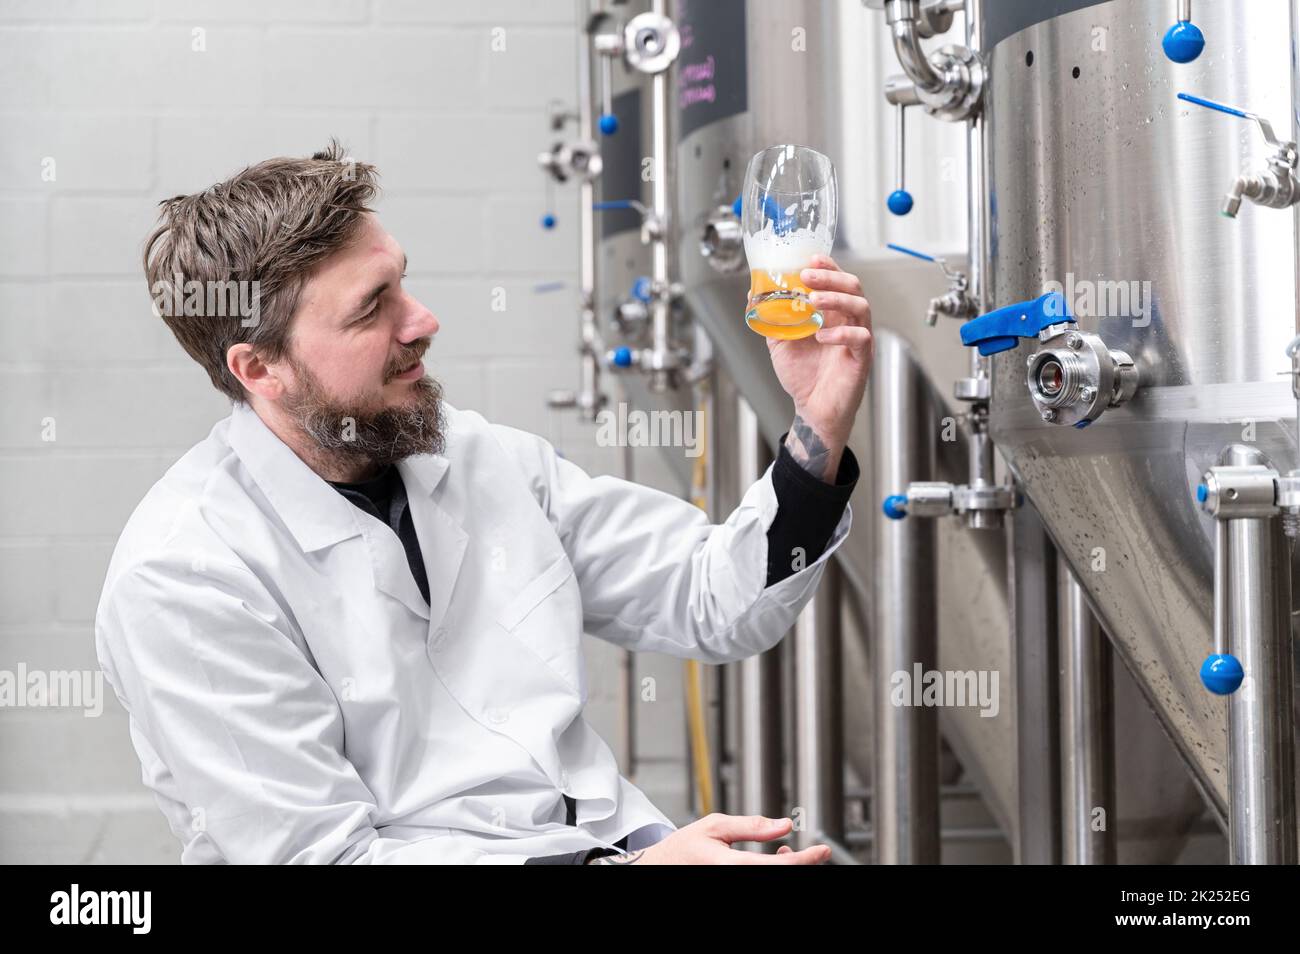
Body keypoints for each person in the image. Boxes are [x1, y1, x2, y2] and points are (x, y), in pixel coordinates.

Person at [94, 141, 873, 864]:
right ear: (261, 369)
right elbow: (328, 858)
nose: (423, 321)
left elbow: (714, 600)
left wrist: (818, 424)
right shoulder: (186, 575)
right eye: (373, 309)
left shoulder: (473, 458)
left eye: (402, 280)